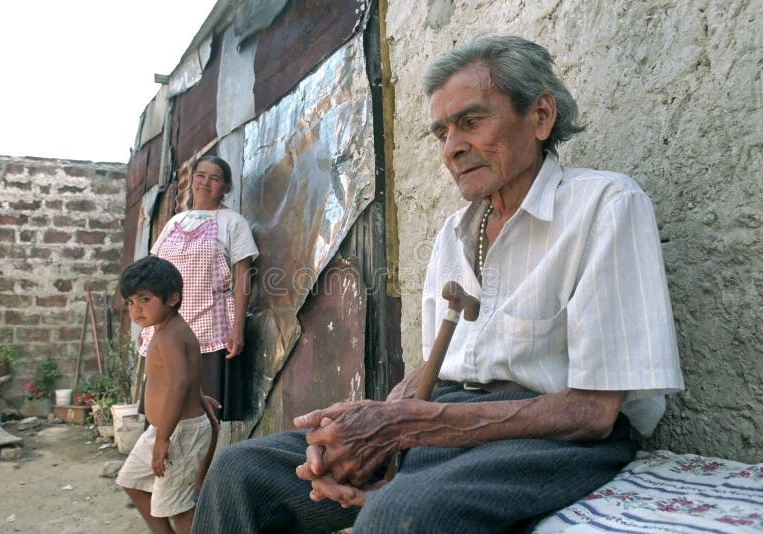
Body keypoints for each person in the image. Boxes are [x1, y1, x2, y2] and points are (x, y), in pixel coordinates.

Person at [191, 35, 684, 533]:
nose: (452, 149)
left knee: (398, 517)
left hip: (555, 439)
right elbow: (438, 367)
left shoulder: (604, 207)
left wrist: (404, 424)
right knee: (240, 472)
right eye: (442, 133)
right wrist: (365, 426)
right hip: (448, 422)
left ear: (540, 116)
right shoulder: (455, 232)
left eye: (471, 122)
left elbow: (595, 411)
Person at [140, 154, 259, 421]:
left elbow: (242, 278)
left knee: (204, 417)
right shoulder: (174, 223)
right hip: (166, 329)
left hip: (211, 330)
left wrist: (238, 328)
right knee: (164, 409)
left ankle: (201, 463)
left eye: (214, 178)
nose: (205, 182)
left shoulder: (233, 223)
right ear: (192, 181)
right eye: (200, 175)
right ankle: (165, 458)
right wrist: (147, 324)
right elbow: (154, 275)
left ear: (226, 187)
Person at [117, 256, 218, 533]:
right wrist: (199, 396)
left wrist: (163, 440)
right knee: (132, 481)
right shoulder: (163, 332)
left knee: (179, 508)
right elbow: (185, 377)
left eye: (145, 300)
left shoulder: (172, 335)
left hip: (178, 434)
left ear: (172, 299)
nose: (136, 310)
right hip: (164, 430)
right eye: (130, 302)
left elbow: (179, 383)